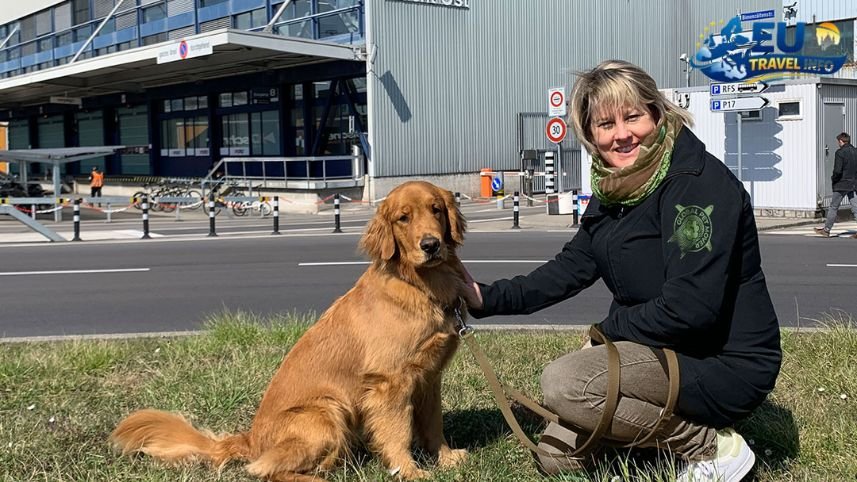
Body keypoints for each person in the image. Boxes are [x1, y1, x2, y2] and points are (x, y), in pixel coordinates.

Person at [460, 60, 782, 482]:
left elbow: (692, 308)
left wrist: (608, 332)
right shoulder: (617, 186)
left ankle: (712, 448)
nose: (622, 134)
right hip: (660, 350)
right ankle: (659, 445)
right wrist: (485, 297)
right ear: (591, 135)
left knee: (567, 383)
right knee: (557, 455)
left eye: (633, 116)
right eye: (605, 124)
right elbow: (571, 267)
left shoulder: (696, 184)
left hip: (721, 361)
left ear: (657, 113)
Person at [814, 132, 857, 238]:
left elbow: (837, 170)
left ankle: (826, 230)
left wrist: (834, 179)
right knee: (855, 207)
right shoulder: (855, 151)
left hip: (841, 184)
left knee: (833, 207)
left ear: (841, 141)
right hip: (853, 184)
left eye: (838, 141)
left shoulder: (840, 152)